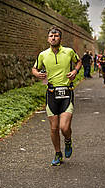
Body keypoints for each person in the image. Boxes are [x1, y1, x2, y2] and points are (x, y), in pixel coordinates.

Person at [32, 26, 82, 166]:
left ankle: (68, 140)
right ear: (48, 38)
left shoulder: (69, 52)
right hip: (52, 93)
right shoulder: (43, 55)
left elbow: (78, 61)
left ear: (60, 38)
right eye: (51, 36)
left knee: (64, 128)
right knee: (54, 128)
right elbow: (34, 68)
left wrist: (75, 71)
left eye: (56, 36)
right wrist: (37, 74)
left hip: (66, 92)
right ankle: (58, 153)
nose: (53, 38)